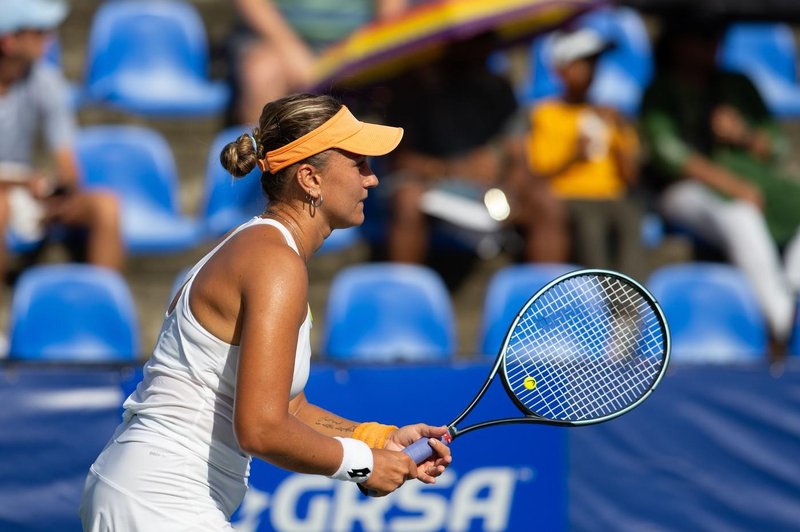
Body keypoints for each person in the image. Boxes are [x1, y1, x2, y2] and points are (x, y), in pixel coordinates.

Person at [79, 93, 452, 530]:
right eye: (359, 165)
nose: (371, 180)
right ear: (310, 179)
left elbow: (289, 409)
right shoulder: (275, 263)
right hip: (160, 497)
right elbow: (260, 429)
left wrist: (378, 439)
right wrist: (363, 463)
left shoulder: (264, 250)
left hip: (144, 487)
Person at [640, 16, 800, 349]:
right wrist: (732, 186)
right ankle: (784, 324)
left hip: (755, 182)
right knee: (740, 216)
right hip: (682, 192)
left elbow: (777, 145)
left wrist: (742, 133)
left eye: (715, 38)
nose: (712, 46)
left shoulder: (737, 84)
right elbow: (672, 157)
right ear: (679, 44)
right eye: (702, 38)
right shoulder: (660, 91)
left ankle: (794, 293)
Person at [383, 33, 555, 265]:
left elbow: (515, 150)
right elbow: (399, 156)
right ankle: (402, 294)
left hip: (491, 189)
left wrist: (501, 165)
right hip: (433, 186)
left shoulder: (499, 89)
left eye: (485, 41)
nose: (482, 50)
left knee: (545, 200)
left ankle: (548, 291)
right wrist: (448, 169)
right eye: (473, 43)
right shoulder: (414, 90)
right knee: (407, 199)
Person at [0, 0, 123, 279]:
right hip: (12, 191)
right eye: (40, 31)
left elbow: (67, 158)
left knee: (106, 207)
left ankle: (103, 309)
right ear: (9, 41)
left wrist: (61, 193)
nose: (49, 38)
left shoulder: (46, 81)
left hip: (23, 189)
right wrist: (22, 183)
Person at [526, 27, 645, 278]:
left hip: (612, 196)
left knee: (632, 220)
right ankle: (600, 302)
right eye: (580, 63)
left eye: (593, 63)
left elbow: (631, 176)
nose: (588, 71)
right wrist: (574, 155)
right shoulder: (545, 114)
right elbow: (539, 172)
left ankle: (629, 307)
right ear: (560, 70)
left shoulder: (609, 115)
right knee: (592, 226)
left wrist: (621, 133)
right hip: (571, 195)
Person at [228, 0, 408, 124]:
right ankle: (262, 170)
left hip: (358, 44)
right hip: (276, 42)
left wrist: (379, 40)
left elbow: (391, 10)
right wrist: (289, 48)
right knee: (263, 74)